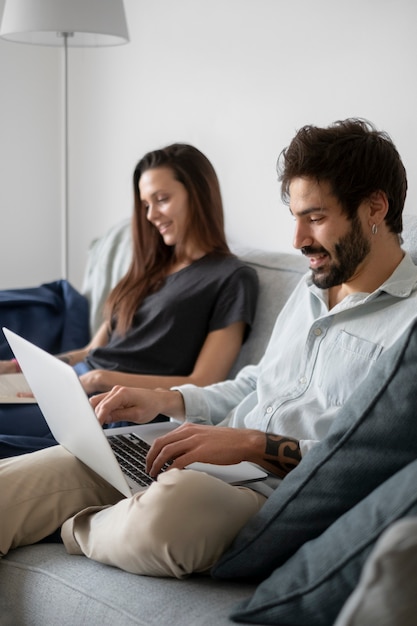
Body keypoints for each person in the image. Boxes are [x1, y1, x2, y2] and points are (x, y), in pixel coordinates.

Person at [1, 118, 417, 584]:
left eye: (316, 218)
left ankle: (76, 528)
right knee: (14, 482)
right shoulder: (311, 287)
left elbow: (375, 460)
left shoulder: (410, 323)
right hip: (208, 453)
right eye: (295, 217)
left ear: (375, 207)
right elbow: (256, 384)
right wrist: (168, 401)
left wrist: (253, 444)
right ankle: (119, 504)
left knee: (168, 516)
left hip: (273, 492)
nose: (297, 240)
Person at [0, 143, 258, 456]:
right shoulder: (146, 269)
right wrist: (22, 367)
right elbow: (91, 351)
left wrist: (102, 379)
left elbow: (203, 381)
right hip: (75, 386)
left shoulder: (231, 277)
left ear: (199, 194)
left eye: (162, 200)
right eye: (145, 204)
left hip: (109, 403)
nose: (151, 215)